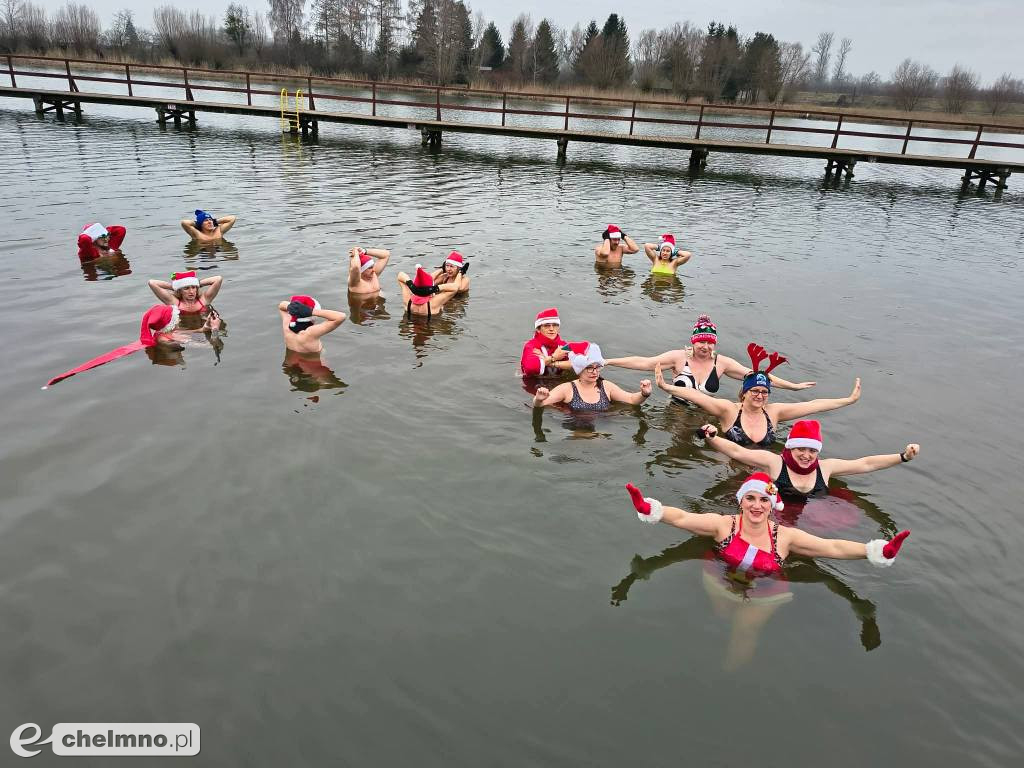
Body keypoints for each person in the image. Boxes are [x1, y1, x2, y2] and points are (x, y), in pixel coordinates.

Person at [624, 473, 911, 572]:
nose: (757, 506)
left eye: (764, 501)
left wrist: (875, 551)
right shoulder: (723, 525)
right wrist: (650, 508)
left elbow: (831, 547)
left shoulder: (785, 537)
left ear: (772, 506)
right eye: (750, 499)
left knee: (745, 632)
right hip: (719, 577)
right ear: (740, 501)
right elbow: (685, 518)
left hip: (767, 589)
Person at [653, 343, 860, 447]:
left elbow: (814, 405)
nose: (760, 396)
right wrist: (666, 387)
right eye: (755, 391)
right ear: (744, 392)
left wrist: (848, 400)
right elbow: (697, 396)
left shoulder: (775, 412)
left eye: (764, 392)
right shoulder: (728, 410)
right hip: (731, 465)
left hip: (762, 468)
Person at [699, 419, 921, 501]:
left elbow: (865, 464)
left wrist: (902, 457)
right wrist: (712, 437)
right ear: (790, 448)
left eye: (812, 451)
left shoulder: (825, 468)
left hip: (809, 516)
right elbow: (738, 452)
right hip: (774, 512)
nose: (806, 456)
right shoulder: (775, 463)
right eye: (800, 449)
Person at [606, 314, 816, 396]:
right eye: (701, 342)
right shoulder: (678, 357)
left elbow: (758, 376)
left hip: (705, 414)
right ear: (693, 342)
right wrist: (608, 361)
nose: (704, 347)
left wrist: (793, 386)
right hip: (676, 414)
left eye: (709, 342)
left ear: (714, 344)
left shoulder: (722, 363)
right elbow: (643, 362)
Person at [43, 305, 184, 388]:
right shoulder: (162, 338)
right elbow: (176, 346)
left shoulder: (166, 333)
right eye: (176, 319)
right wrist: (186, 344)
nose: (179, 320)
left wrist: (201, 330)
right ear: (168, 323)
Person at [532, 342, 653, 411]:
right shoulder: (566, 389)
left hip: (599, 433)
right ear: (579, 370)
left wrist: (644, 394)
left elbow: (632, 399)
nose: (594, 372)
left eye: (597, 367)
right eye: (589, 367)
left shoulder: (606, 386)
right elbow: (541, 404)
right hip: (576, 435)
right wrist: (538, 398)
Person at [278, 296, 346, 355]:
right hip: (312, 368)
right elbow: (341, 317)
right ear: (312, 316)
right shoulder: (311, 333)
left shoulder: (287, 326)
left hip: (290, 365)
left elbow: (281, 306)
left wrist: (294, 307)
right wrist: (312, 311)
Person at [520, 307, 574, 377]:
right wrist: (554, 357)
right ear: (538, 329)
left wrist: (549, 361)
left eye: (555, 325)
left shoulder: (563, 345)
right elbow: (530, 368)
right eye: (547, 326)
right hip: (534, 382)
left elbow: (580, 363)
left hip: (556, 381)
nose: (551, 329)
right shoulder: (531, 346)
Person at [395, 265, 461, 319]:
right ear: (430, 287)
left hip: (413, 329)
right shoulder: (434, 303)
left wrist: (412, 286)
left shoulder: (407, 301)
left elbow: (400, 275)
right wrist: (435, 289)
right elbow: (455, 287)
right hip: (429, 330)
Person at [148, 270, 223, 315]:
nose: (191, 291)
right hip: (184, 332)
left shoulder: (204, 300)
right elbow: (152, 283)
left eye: (193, 287)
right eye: (186, 288)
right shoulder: (174, 303)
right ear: (180, 291)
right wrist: (175, 287)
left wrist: (197, 283)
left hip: (204, 327)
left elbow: (218, 279)